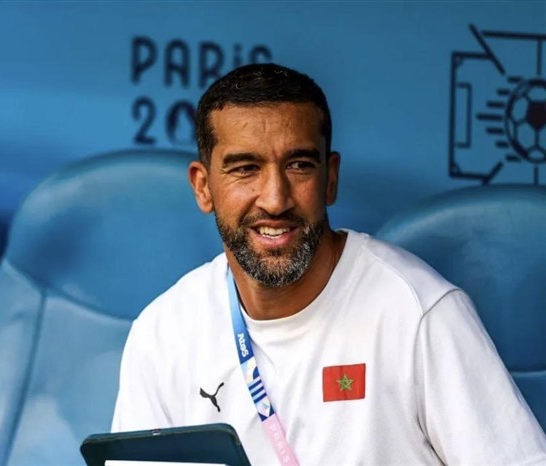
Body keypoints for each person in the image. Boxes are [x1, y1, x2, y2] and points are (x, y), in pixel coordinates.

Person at [111, 63, 546, 465]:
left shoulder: (418, 312)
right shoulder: (164, 332)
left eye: (299, 165)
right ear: (203, 187)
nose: (275, 199)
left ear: (330, 178)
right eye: (245, 169)